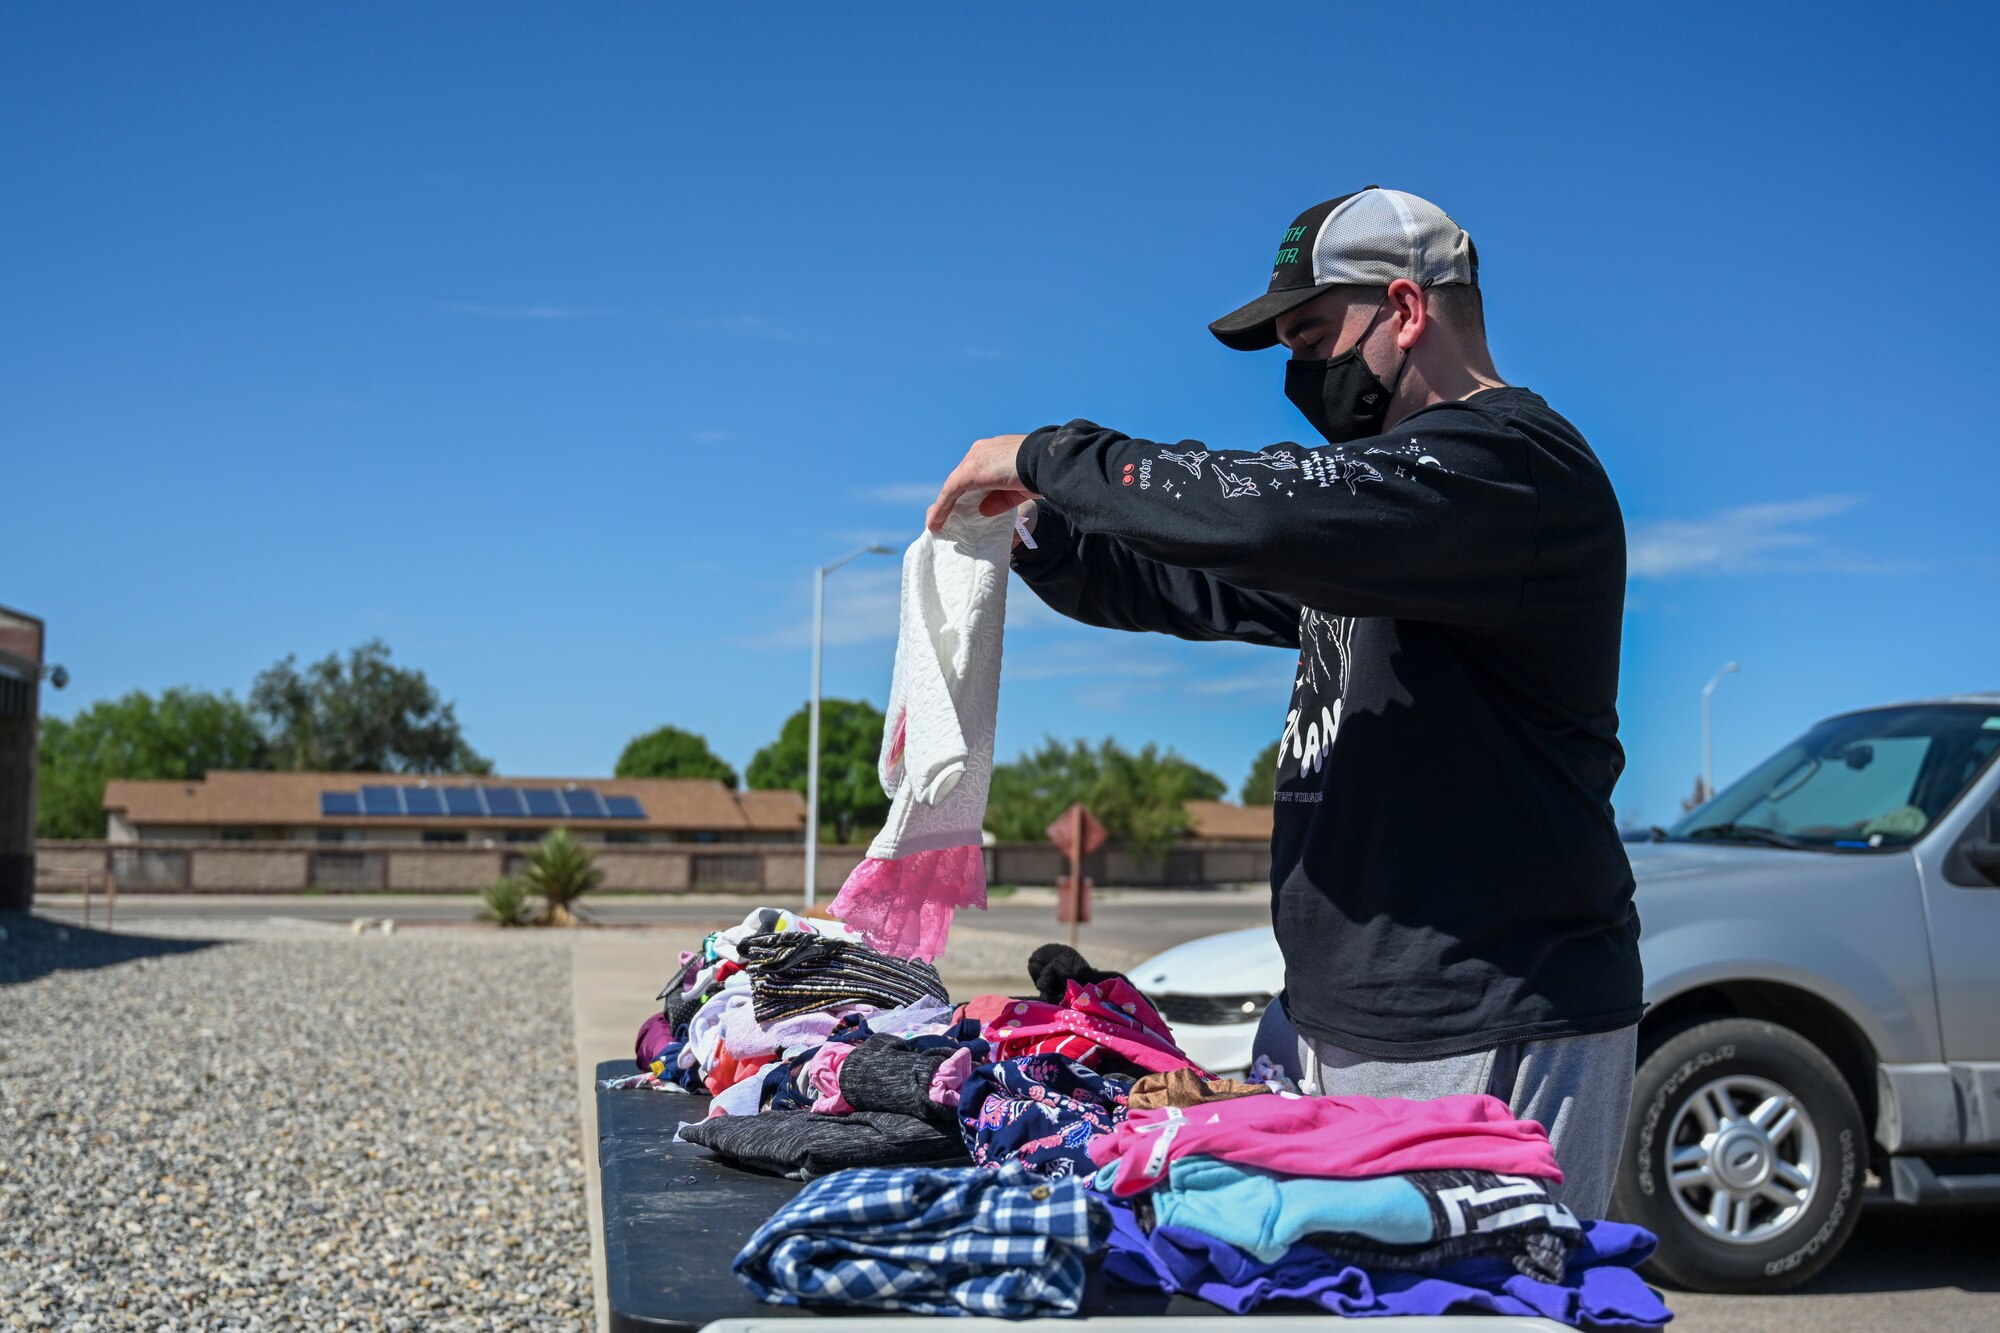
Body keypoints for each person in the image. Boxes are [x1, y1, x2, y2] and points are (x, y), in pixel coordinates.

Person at [926, 187, 1641, 1219]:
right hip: (1335, 1014)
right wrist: (1037, 531)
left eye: (1311, 336)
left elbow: (1263, 514)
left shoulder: (1509, 472)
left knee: (1488, 1308)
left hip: (1482, 1015)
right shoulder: (1380, 523)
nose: (1299, 374)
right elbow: (1191, 577)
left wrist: (1049, 456)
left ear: (1402, 310)